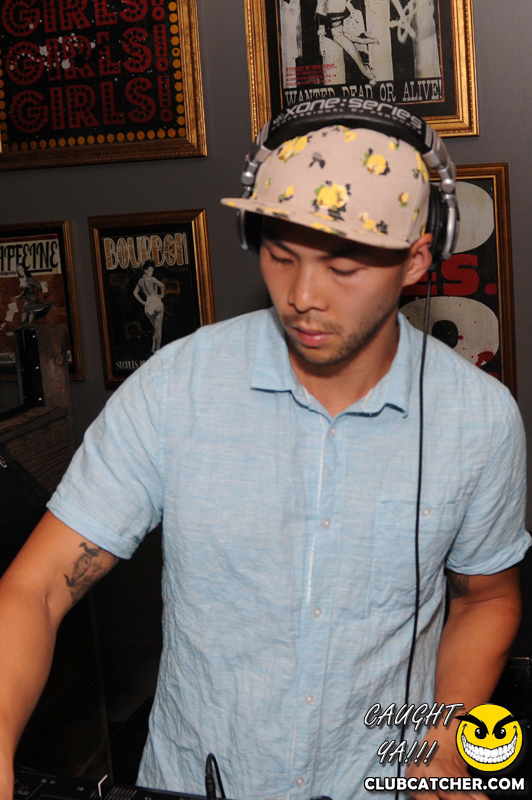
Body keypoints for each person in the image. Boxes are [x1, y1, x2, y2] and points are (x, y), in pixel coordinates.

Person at [0, 106, 528, 800]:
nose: (303, 297)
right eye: (281, 256)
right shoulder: (176, 387)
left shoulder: (479, 419)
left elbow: (485, 599)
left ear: (416, 261)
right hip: (197, 781)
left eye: (343, 267)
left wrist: (447, 747)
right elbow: (37, 588)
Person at [133, 263, 166, 354]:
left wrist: (142, 302)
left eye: (152, 271)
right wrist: (162, 295)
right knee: (159, 330)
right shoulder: (152, 279)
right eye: (150, 271)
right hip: (156, 302)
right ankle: (158, 351)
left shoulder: (140, 281)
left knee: (155, 328)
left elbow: (135, 293)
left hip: (148, 305)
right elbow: (162, 285)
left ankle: (153, 347)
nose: (151, 273)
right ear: (145, 270)